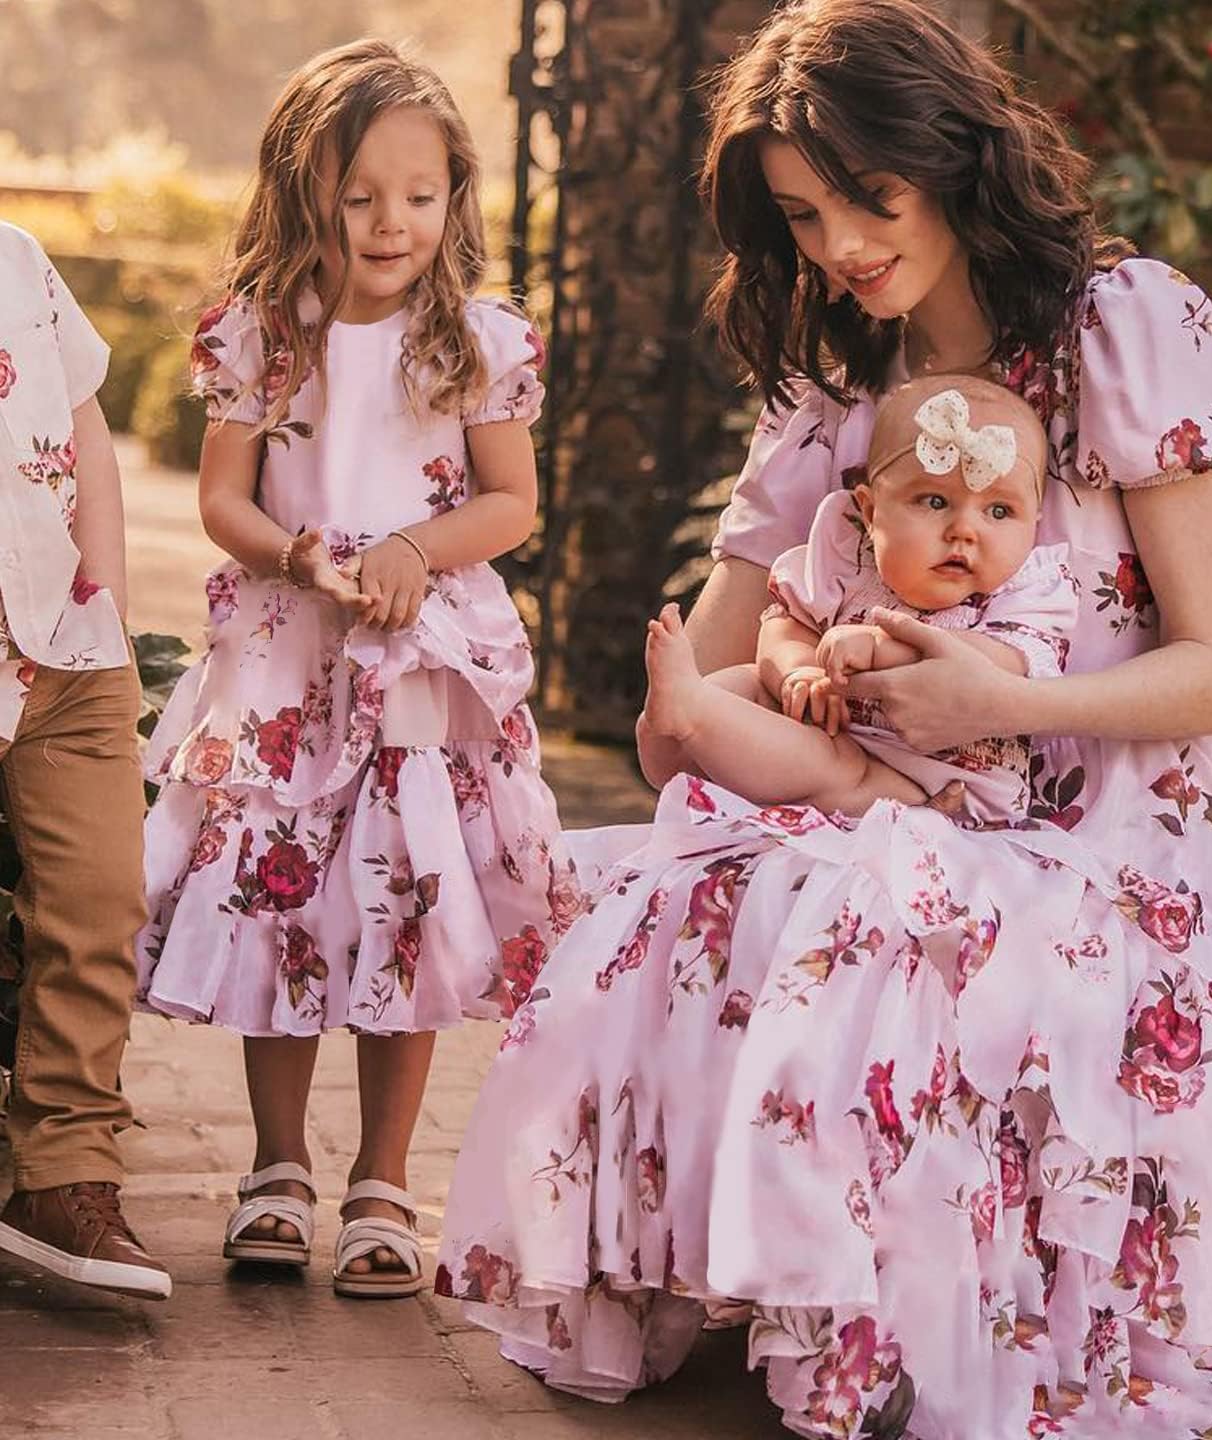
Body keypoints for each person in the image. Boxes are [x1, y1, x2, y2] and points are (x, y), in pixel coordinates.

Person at [438, 1, 1212, 1434]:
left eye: (869, 198)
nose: (838, 247)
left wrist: (1004, 700)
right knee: (666, 887)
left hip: (1108, 846)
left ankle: (889, 1327)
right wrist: (729, 697)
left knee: (869, 918)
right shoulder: (829, 401)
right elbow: (689, 705)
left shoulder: (1125, 330)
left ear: (954, 159)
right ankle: (760, 1287)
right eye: (802, 217)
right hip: (874, 803)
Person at [135, 39, 579, 1299]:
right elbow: (225, 498)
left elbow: (509, 505)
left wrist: (409, 552)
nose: (393, 223)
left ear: (456, 197)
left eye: (420, 195)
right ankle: (277, 1170)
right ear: (303, 192)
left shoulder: (477, 340)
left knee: (407, 898)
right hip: (286, 660)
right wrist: (303, 556)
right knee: (278, 896)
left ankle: (384, 1180)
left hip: (421, 665)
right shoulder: (262, 336)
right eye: (360, 195)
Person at [642, 373, 1077, 820]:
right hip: (834, 733)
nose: (964, 530)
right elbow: (784, 622)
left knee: (842, 768)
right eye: (933, 502)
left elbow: (1002, 662)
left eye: (999, 511)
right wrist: (798, 671)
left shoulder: (1027, 589)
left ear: (1034, 525)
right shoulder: (849, 557)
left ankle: (693, 716)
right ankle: (677, 741)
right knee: (749, 682)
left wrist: (881, 648)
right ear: (870, 512)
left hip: (933, 785)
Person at [0, 222, 170, 1299]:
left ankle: (62, 1179)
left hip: (61, 647)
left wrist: (101, 595)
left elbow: (82, 423)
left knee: (100, 900)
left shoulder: (15, 258)